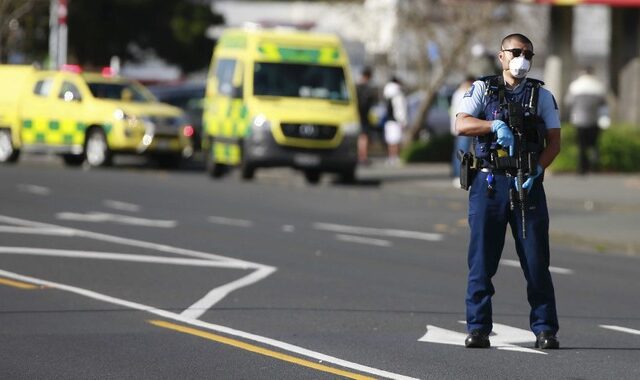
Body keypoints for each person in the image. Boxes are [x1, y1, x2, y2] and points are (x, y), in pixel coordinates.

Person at [455, 33, 562, 349]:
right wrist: (492, 126)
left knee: (536, 261)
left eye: (528, 53)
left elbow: (555, 141)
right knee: (481, 261)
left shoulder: (540, 95)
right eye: (515, 52)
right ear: (501, 56)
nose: (522, 59)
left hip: (526, 184)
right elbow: (461, 124)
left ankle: (544, 329)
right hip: (489, 184)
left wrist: (538, 168)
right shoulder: (483, 89)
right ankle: (477, 328)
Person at [565, 66, 607, 175]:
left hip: (579, 120)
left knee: (581, 146)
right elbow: (603, 104)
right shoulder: (598, 86)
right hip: (594, 119)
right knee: (593, 145)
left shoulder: (575, 85)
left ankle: (582, 168)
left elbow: (568, 102)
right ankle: (594, 167)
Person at [450, 76, 475, 183]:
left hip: (460, 128)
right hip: (464, 128)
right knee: (462, 153)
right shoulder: (463, 94)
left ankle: (457, 174)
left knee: (460, 152)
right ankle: (458, 175)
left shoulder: (457, 93)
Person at [383, 76, 407, 165]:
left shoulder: (387, 93)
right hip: (396, 121)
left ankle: (390, 157)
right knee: (396, 141)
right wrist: (403, 121)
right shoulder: (398, 94)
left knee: (390, 141)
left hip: (388, 121)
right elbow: (400, 110)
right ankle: (396, 157)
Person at [356, 67, 377, 165]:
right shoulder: (367, 89)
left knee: (360, 136)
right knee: (364, 137)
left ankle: (360, 156)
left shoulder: (355, 86)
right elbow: (371, 103)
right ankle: (363, 157)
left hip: (355, 115)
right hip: (364, 115)